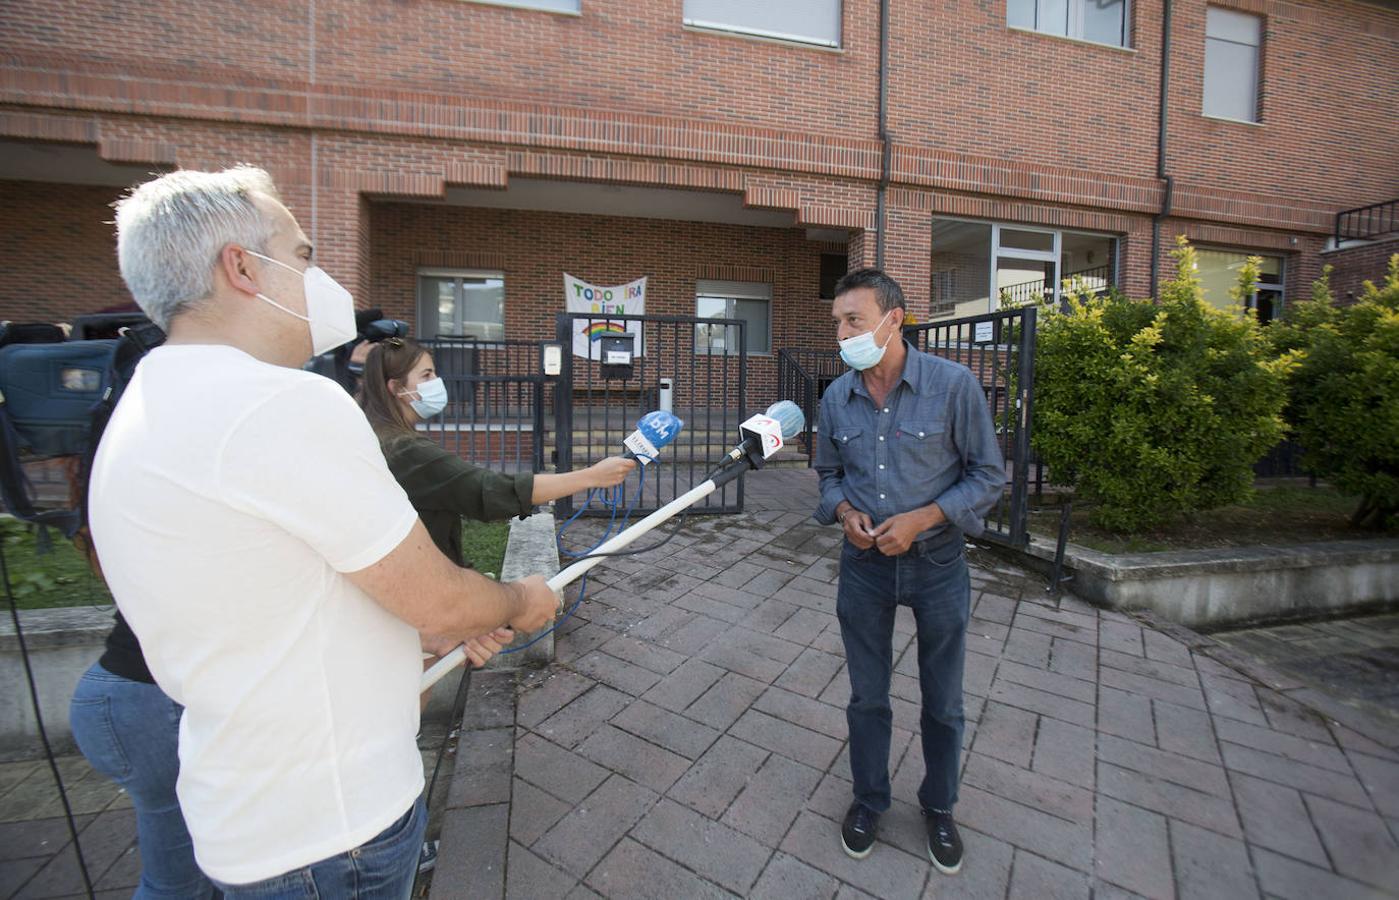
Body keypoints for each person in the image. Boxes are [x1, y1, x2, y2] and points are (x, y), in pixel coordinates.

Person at [88, 165, 557, 898]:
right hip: (331, 833)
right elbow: (435, 597)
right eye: (303, 254)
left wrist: (420, 633)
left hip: (248, 816)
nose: (320, 276)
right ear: (240, 267)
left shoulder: (148, 400)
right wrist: (517, 601)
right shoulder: (278, 403)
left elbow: (269, 587)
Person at [814, 268, 1005, 875]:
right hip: (863, 566)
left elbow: (988, 476)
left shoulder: (953, 387)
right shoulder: (835, 396)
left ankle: (939, 806)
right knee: (867, 697)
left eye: (854, 320)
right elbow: (826, 477)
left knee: (943, 700)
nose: (843, 334)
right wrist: (843, 511)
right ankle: (870, 799)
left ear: (894, 318)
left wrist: (922, 518)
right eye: (838, 323)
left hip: (938, 564)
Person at [357, 335, 635, 569]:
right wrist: (592, 476)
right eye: (426, 375)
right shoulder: (406, 450)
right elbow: (490, 490)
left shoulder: (371, 432)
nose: (436, 382)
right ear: (396, 387)